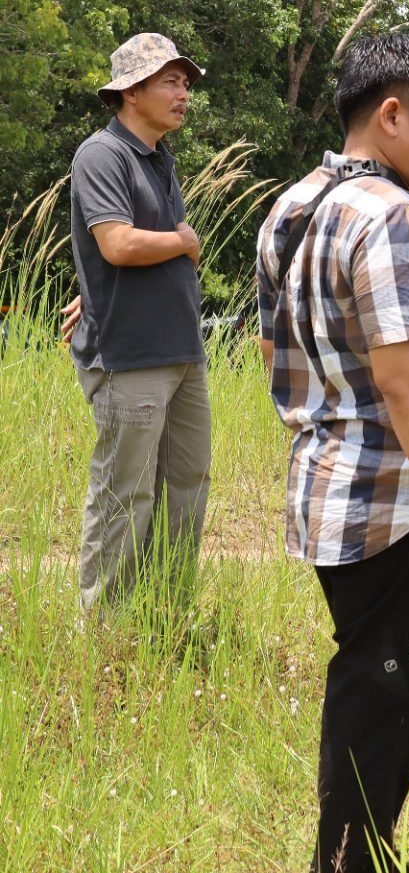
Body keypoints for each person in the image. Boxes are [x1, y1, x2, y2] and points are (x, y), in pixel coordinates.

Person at [255, 34, 409, 873]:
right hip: (399, 509)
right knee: (385, 711)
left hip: (330, 491)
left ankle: (359, 855)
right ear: (392, 115)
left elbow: (273, 352)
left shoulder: (295, 205)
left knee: (370, 693)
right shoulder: (390, 216)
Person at [69, 33, 211, 618]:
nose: (184, 94)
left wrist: (91, 290)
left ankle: (163, 618)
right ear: (131, 91)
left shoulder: (159, 158)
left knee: (186, 488)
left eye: (185, 83)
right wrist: (184, 239)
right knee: (125, 494)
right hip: (130, 356)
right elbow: (119, 244)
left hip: (181, 350)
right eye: (171, 82)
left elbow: (118, 252)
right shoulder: (102, 154)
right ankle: (104, 628)